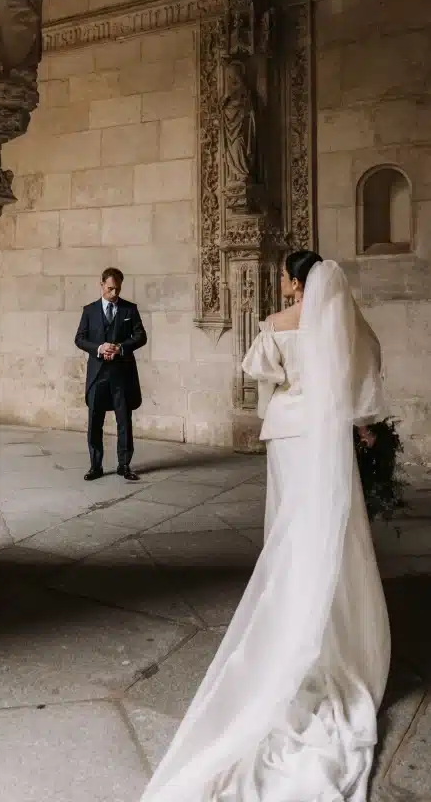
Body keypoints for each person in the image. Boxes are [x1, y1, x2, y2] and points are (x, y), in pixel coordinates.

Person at [139, 250, 391, 802]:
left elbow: (261, 379)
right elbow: (368, 368)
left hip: (289, 433)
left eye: (283, 275)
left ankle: (297, 609)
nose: (280, 283)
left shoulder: (275, 326)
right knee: (329, 523)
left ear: (297, 282)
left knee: (290, 525)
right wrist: (363, 425)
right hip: (327, 438)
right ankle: (329, 618)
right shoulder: (347, 320)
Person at [74, 267, 147, 483]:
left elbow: (141, 336)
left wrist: (120, 347)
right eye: (110, 289)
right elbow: (79, 338)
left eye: (117, 289)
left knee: (124, 421)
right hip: (97, 375)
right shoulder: (89, 310)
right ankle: (95, 466)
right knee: (95, 421)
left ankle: (124, 465)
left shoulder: (129, 309)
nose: (114, 294)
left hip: (122, 375)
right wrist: (99, 347)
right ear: (102, 285)